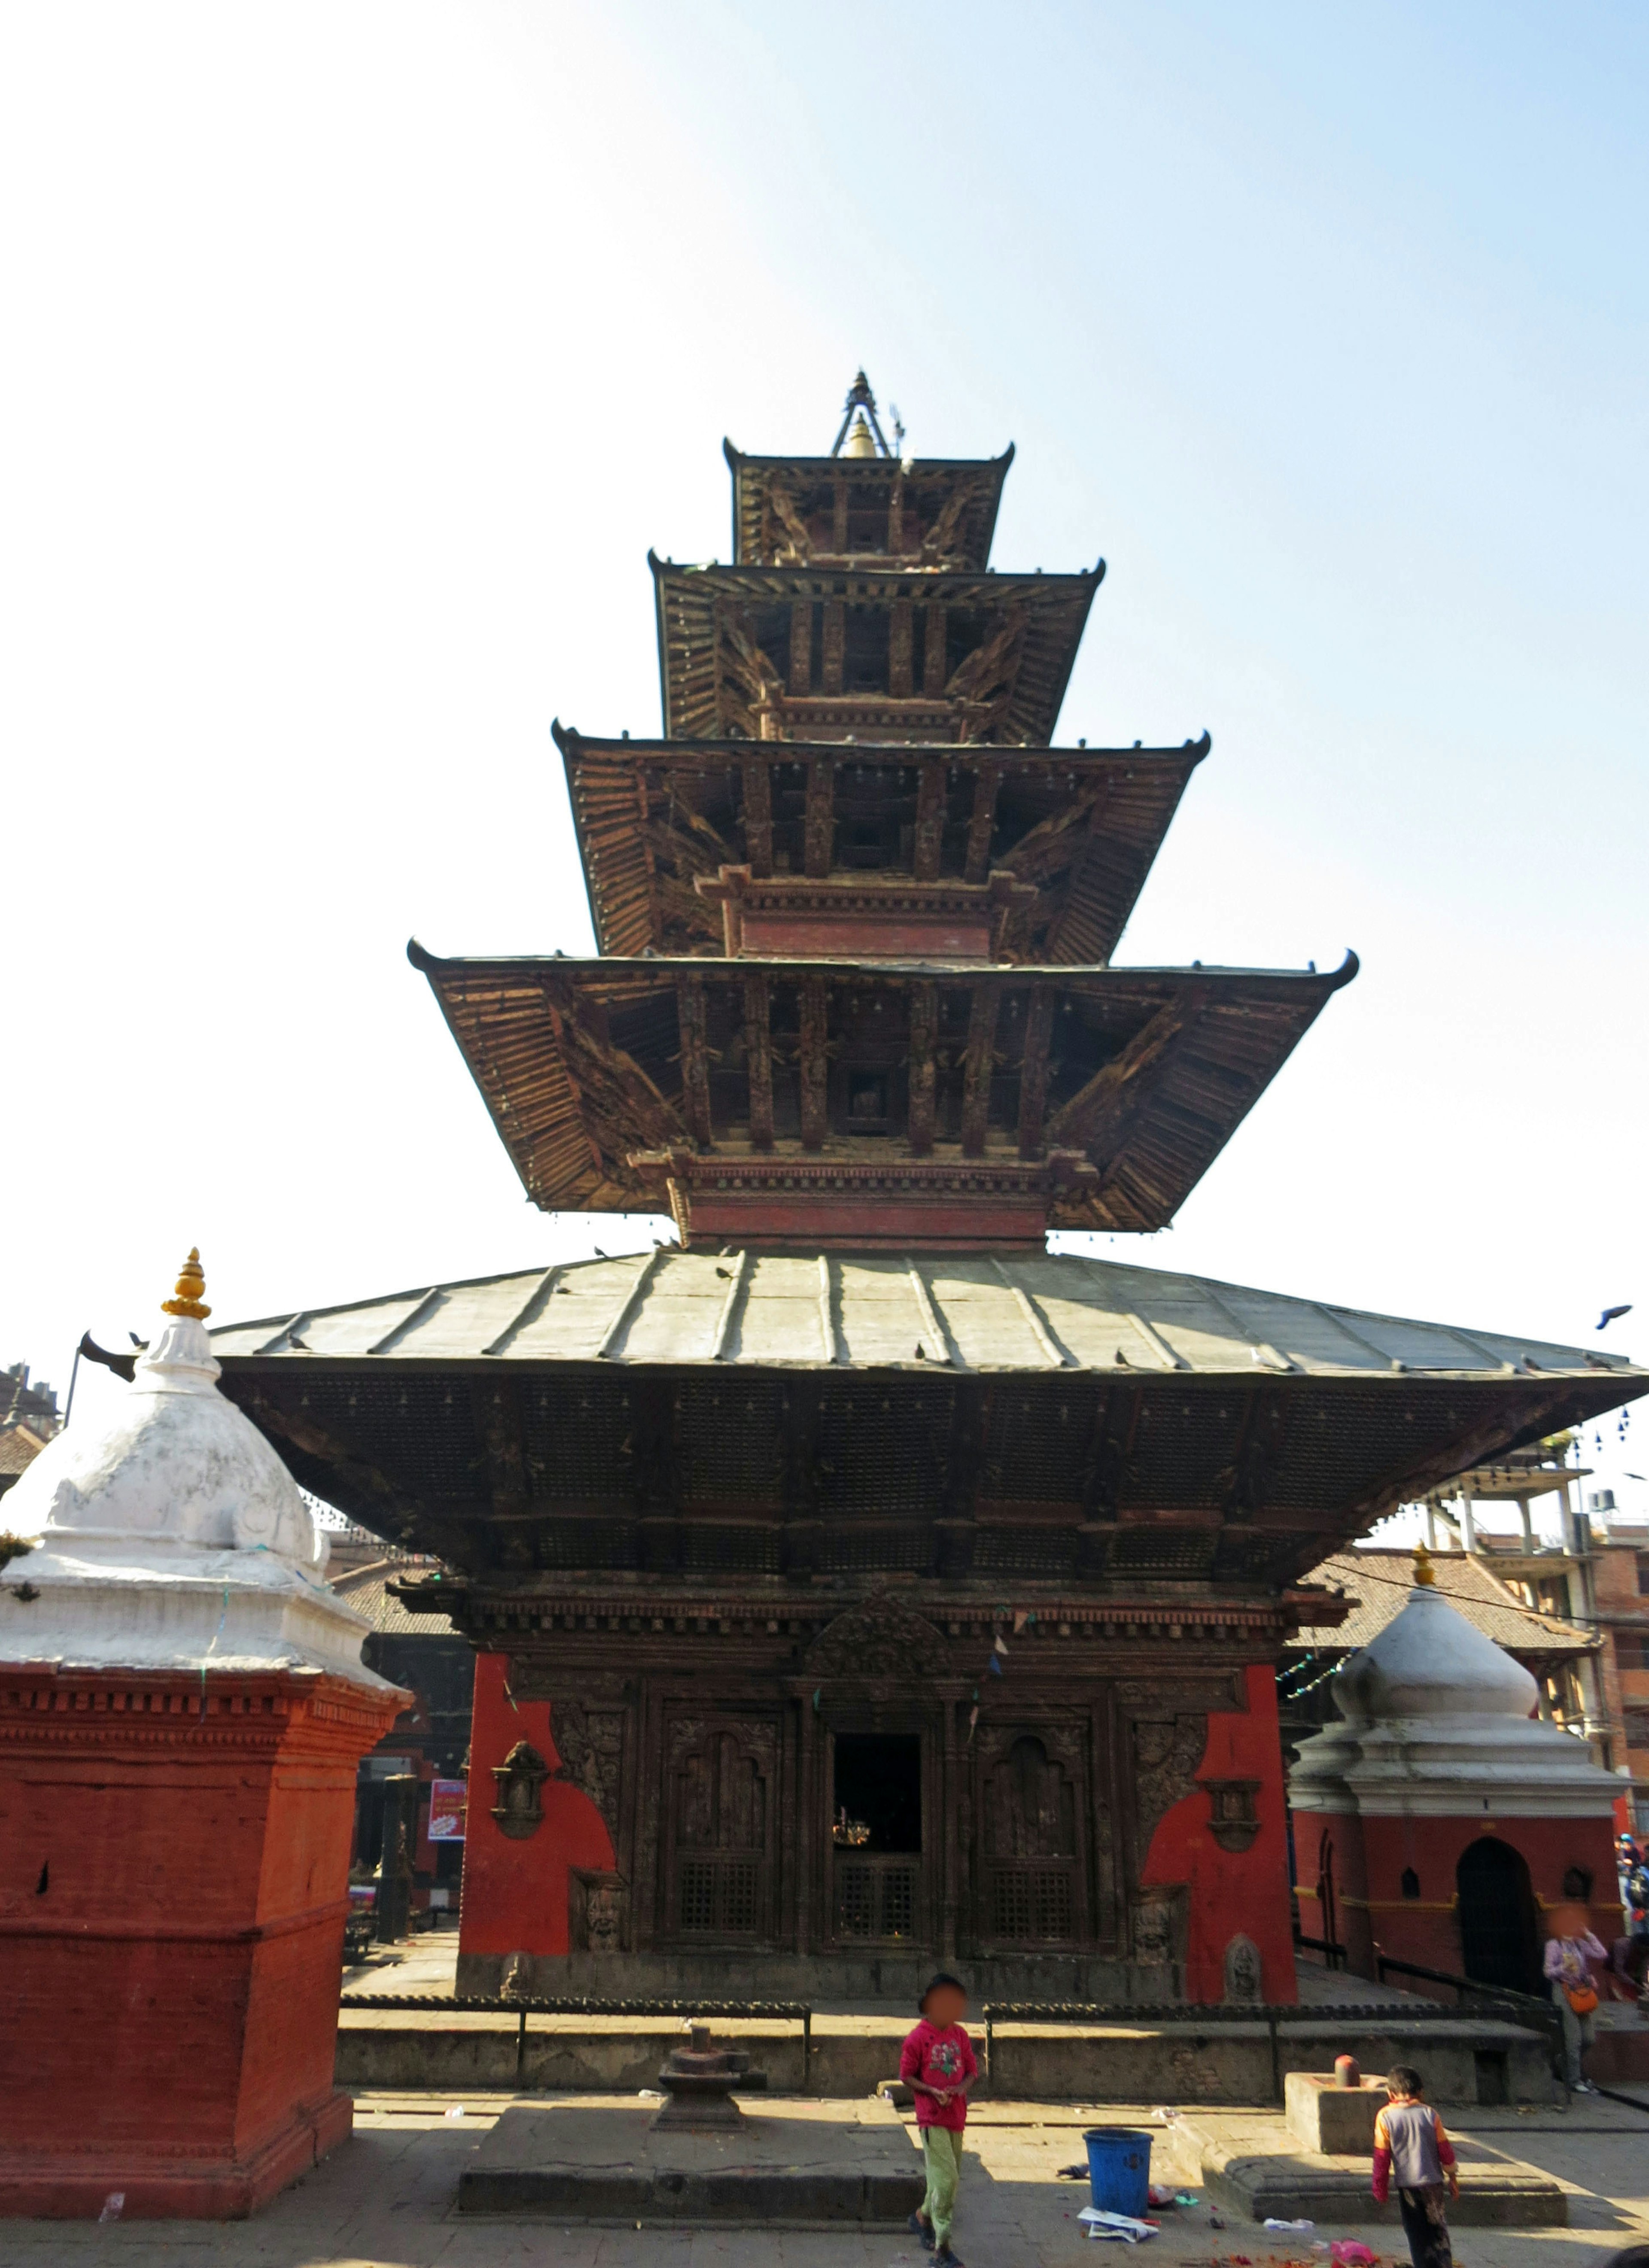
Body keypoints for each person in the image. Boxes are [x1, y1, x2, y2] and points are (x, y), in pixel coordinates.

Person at [900, 1972, 978, 2268]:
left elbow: (972, 2071)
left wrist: (959, 2089)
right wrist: (932, 2091)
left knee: (941, 2180)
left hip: (956, 2115)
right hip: (931, 2118)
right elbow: (906, 2075)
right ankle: (942, 2249)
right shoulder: (917, 2039)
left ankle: (921, 2217)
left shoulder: (960, 2036)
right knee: (947, 2181)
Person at [1372, 2064, 1458, 2268]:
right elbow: (1445, 2151)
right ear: (1420, 2093)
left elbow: (1381, 2158)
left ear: (1391, 2093)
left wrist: (1380, 2188)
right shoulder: (1430, 2114)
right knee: (1437, 2228)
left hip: (1408, 2186)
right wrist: (1453, 2178)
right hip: (1434, 2184)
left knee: (1416, 2231)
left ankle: (1423, 2264)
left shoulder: (1385, 2117)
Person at [1544, 1902, 1608, 2093]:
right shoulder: (1554, 1946)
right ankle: (1573, 2080)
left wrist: (1588, 1934)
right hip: (1563, 1990)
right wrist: (1563, 1968)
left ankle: (1562, 2062)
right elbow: (1548, 1972)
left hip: (1581, 1991)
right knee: (1574, 2038)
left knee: (1588, 2038)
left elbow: (1602, 1954)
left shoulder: (1579, 1945)